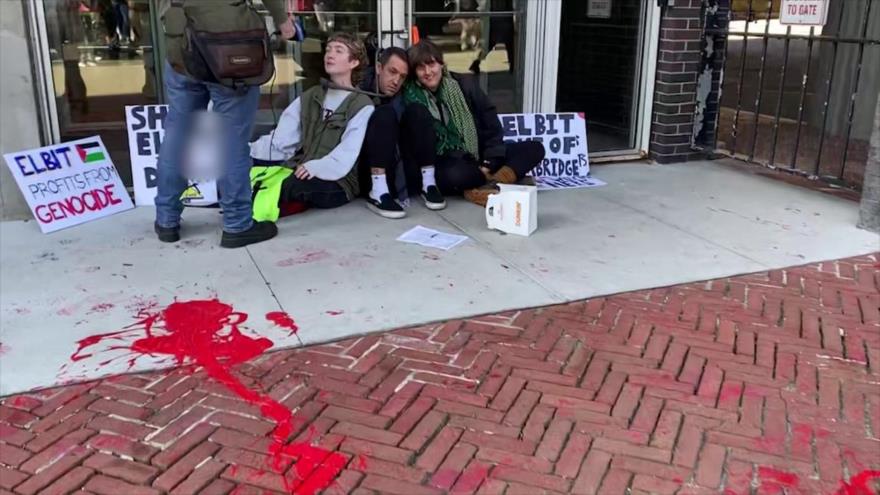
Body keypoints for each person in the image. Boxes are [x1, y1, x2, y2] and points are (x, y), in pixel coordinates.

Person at [154, 0, 297, 248]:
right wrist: (283, 20)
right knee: (232, 142)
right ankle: (237, 224)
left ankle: (167, 220)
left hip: (181, 39)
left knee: (178, 134)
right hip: (229, 41)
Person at [248, 33, 375, 223]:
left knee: (290, 186)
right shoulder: (311, 96)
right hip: (299, 168)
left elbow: (347, 152)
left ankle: (257, 210)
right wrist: (247, 151)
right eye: (329, 49)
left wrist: (315, 167)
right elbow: (282, 140)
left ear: (354, 62)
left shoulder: (362, 104)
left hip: (338, 182)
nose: (329, 55)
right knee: (249, 174)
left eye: (339, 51)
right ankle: (260, 205)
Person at [402, 39, 544, 206]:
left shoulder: (464, 85)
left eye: (431, 64)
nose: (428, 72)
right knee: (456, 175)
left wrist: (488, 164)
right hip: (445, 163)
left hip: (479, 156)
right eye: (420, 67)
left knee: (534, 148)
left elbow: (491, 125)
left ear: (441, 64)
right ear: (414, 72)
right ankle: (497, 182)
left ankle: (486, 185)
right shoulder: (411, 97)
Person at [357, 47, 446, 219]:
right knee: (384, 114)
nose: (396, 81)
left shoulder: (406, 95)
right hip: (368, 170)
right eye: (392, 72)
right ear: (378, 67)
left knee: (418, 111)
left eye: (402, 76)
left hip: (402, 167)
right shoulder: (359, 89)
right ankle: (378, 191)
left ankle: (428, 184)